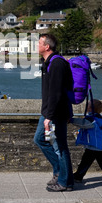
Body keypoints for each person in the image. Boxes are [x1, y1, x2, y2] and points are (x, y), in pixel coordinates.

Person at [34, 33, 74, 192]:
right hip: (49, 111)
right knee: (40, 140)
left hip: (56, 113)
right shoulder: (49, 62)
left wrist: (49, 117)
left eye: (39, 43)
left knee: (61, 146)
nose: (37, 46)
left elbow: (56, 93)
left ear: (46, 46)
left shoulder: (57, 64)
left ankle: (65, 182)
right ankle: (60, 172)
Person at [71, 99, 102, 184]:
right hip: (96, 144)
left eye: (88, 105)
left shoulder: (92, 120)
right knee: (90, 160)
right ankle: (78, 175)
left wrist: (71, 120)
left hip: (93, 144)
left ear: (90, 108)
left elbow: (83, 123)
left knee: (96, 162)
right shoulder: (98, 119)